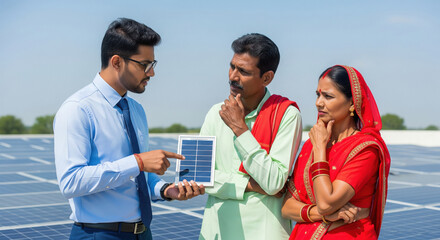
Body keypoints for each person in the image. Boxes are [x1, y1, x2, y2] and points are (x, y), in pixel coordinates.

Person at [54, 18, 205, 240]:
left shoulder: (135, 110)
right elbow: (71, 182)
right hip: (98, 235)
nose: (151, 73)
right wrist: (138, 161)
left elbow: (137, 177)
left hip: (142, 233)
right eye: (144, 65)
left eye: (153, 64)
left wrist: (165, 190)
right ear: (116, 62)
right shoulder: (77, 109)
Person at [199, 33, 303, 239]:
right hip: (215, 231)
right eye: (232, 66)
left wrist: (240, 130)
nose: (232, 77)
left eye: (243, 71)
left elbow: (274, 182)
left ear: (267, 78)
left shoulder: (287, 115)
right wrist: (248, 185)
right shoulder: (215, 113)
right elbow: (196, 175)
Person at [281, 65, 391, 239]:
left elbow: (326, 202)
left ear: (352, 103)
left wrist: (319, 150)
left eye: (328, 96)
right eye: (318, 94)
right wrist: (323, 215)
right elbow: (287, 207)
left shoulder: (365, 149)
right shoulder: (313, 143)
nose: (318, 102)